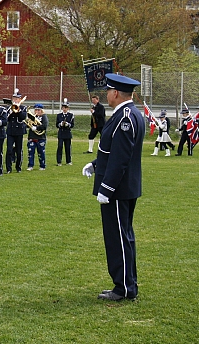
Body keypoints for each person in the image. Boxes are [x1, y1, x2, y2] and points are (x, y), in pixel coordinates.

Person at [82, 73, 144, 301]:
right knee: (123, 236)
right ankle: (127, 284)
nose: (106, 95)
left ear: (116, 93)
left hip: (118, 189)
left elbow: (121, 157)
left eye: (108, 91)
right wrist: (96, 164)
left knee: (118, 238)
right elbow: (112, 151)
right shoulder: (126, 114)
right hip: (123, 187)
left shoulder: (125, 117)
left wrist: (106, 188)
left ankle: (124, 288)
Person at [5, 89, 27, 173]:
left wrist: (18, 110)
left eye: (17, 98)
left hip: (19, 131)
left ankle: (18, 167)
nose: (15, 100)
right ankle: (8, 168)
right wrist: (11, 110)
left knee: (19, 150)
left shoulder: (23, 108)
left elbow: (23, 117)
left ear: (20, 99)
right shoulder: (8, 108)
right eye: (14, 98)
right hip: (10, 131)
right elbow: (6, 118)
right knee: (9, 150)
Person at [26, 103, 48, 171]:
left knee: (41, 152)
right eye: (36, 110)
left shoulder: (44, 117)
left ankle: (42, 165)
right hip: (32, 136)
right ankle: (30, 165)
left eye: (38, 110)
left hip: (41, 137)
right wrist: (28, 122)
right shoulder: (32, 117)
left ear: (42, 111)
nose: (37, 111)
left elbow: (44, 126)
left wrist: (36, 128)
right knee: (31, 152)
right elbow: (28, 125)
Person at [56, 98, 74, 166]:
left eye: (66, 107)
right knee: (60, 147)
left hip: (67, 133)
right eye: (63, 107)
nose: (64, 109)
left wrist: (67, 124)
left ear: (68, 108)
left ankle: (68, 161)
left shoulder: (71, 115)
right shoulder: (59, 115)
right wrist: (61, 124)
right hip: (61, 133)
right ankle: (59, 161)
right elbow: (57, 124)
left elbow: (72, 125)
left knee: (68, 147)